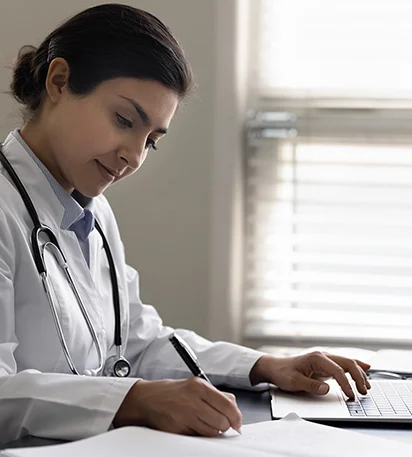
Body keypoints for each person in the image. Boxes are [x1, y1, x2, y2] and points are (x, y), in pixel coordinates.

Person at [0, 3, 371, 443]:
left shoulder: (90, 217)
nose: (133, 157)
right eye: (123, 120)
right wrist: (133, 400)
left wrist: (262, 366)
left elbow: (137, 341)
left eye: (150, 141)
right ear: (58, 82)